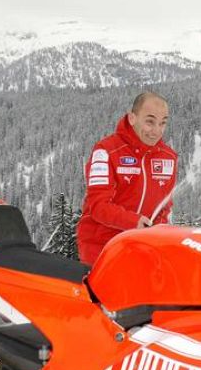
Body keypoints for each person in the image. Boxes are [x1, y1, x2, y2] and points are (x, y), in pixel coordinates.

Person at [76, 92, 178, 265]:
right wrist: (133, 222)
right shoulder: (106, 151)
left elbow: (164, 207)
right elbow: (98, 206)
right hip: (102, 248)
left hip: (142, 246)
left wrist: (155, 233)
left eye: (163, 123)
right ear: (132, 118)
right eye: (150, 122)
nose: (156, 131)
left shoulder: (168, 157)